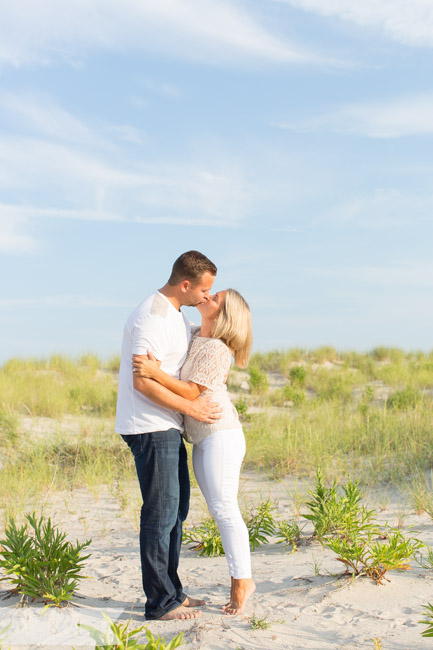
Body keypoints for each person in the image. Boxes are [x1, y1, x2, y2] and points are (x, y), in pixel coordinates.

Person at [133, 288, 255, 616]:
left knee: (224, 508)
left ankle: (242, 580)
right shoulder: (193, 334)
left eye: (215, 298)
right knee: (218, 508)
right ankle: (202, 586)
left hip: (221, 435)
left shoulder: (217, 349)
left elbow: (190, 390)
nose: (207, 297)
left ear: (223, 315)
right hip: (201, 439)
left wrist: (153, 372)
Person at [115, 251, 222, 621]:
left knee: (176, 512)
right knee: (160, 515)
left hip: (167, 424)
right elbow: (141, 380)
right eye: (204, 290)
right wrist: (192, 409)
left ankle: (172, 592)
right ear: (186, 284)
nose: (206, 297)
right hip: (148, 424)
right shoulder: (152, 316)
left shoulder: (177, 315)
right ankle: (160, 603)